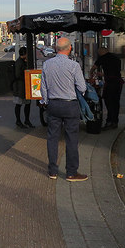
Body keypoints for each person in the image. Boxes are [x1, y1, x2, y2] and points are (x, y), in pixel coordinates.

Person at [41, 37, 88, 181]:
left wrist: (45, 101)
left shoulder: (47, 64)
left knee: (52, 138)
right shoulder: (74, 66)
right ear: (69, 49)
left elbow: (43, 87)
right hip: (69, 105)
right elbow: (82, 87)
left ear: (56, 49)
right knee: (71, 139)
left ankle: (52, 171)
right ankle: (71, 172)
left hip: (53, 105)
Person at [90, 47, 123, 130]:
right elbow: (117, 71)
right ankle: (115, 121)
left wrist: (93, 74)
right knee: (116, 102)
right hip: (118, 83)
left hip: (110, 83)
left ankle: (109, 121)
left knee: (108, 102)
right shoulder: (116, 58)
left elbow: (93, 68)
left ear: (101, 52)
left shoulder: (102, 58)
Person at [13, 46, 34, 129]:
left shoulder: (21, 62)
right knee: (20, 104)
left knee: (26, 103)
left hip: (23, 87)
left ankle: (25, 120)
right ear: (24, 54)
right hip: (20, 87)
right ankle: (19, 120)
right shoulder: (20, 63)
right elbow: (17, 75)